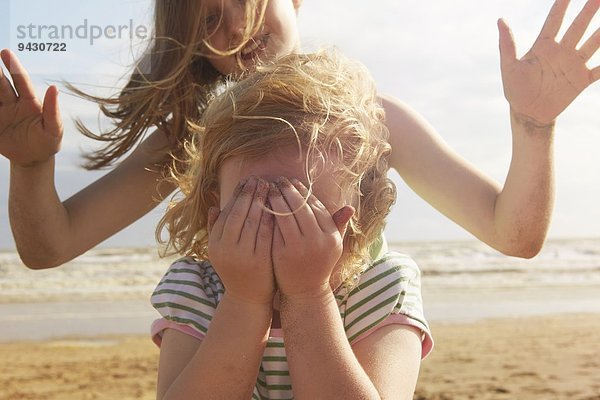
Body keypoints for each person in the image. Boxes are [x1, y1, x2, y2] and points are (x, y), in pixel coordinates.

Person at [1, 0, 599, 268]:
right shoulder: (190, 138)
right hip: (223, 355)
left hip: (354, 345)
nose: (236, 25)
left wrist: (533, 124)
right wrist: (31, 168)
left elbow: (512, 235)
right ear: (191, 42)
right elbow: (49, 247)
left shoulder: (371, 117)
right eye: (209, 18)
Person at [151, 49, 433, 399]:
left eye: (307, 213)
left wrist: (309, 296)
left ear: (358, 214)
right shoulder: (196, 290)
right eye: (252, 208)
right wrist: (243, 300)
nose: (280, 231)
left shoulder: (382, 286)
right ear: (215, 207)